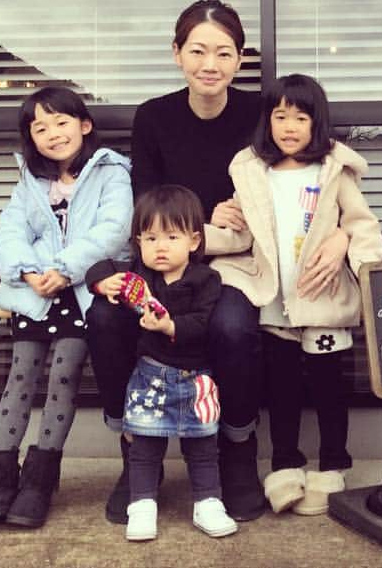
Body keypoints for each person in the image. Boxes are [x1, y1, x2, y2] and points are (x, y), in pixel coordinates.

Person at [86, 0, 349, 523]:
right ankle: (137, 451)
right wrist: (203, 224)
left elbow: (315, 174)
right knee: (105, 318)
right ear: (177, 53)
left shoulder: (260, 114)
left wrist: (340, 232)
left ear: (239, 58)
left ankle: (236, 453)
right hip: (162, 258)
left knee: (233, 327)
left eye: (224, 52)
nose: (211, 63)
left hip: (234, 264)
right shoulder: (154, 116)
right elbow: (147, 201)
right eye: (198, 50)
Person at [205, 74, 382, 516]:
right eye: (280, 116)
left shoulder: (333, 172)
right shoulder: (252, 172)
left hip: (322, 300)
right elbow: (237, 234)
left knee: (327, 386)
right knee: (281, 386)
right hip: (275, 300)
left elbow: (362, 226)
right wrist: (200, 236)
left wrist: (367, 273)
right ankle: (285, 463)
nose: (289, 127)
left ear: (316, 124)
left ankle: (333, 464)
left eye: (300, 117)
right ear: (267, 121)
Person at [0, 87, 132, 529]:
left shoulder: (112, 172)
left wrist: (65, 269)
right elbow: (10, 229)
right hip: (37, 292)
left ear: (84, 125)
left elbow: (114, 229)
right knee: (20, 376)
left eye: (61, 122)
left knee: (63, 377)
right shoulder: (30, 179)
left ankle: (38, 484)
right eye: (39, 127)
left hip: (82, 292)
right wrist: (25, 272)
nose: (52, 134)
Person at [86, 185, 238, 541]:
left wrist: (170, 325)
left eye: (172, 236)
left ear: (194, 241)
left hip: (196, 378)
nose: (161, 246)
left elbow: (204, 323)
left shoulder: (206, 280)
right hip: (149, 377)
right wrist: (101, 283)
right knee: (144, 448)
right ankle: (142, 505)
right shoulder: (140, 277)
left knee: (202, 448)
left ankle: (208, 503)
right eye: (150, 238)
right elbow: (102, 268)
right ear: (138, 242)